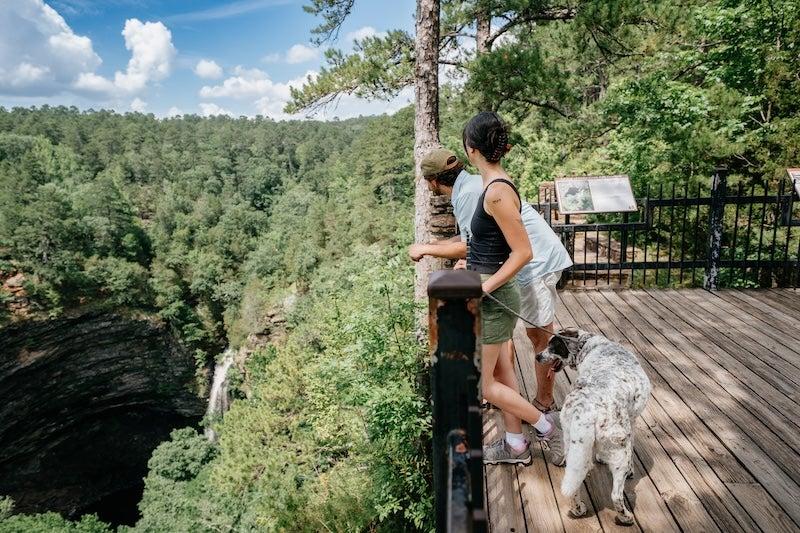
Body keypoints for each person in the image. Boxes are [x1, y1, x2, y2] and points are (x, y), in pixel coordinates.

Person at [412, 112, 565, 466]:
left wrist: (486, 287)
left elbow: (523, 252)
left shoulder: (495, 192)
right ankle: (516, 445)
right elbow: (484, 243)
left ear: (471, 149)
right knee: (502, 370)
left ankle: (546, 427)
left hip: (496, 294)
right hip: (494, 289)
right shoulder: (489, 185)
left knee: (483, 385)